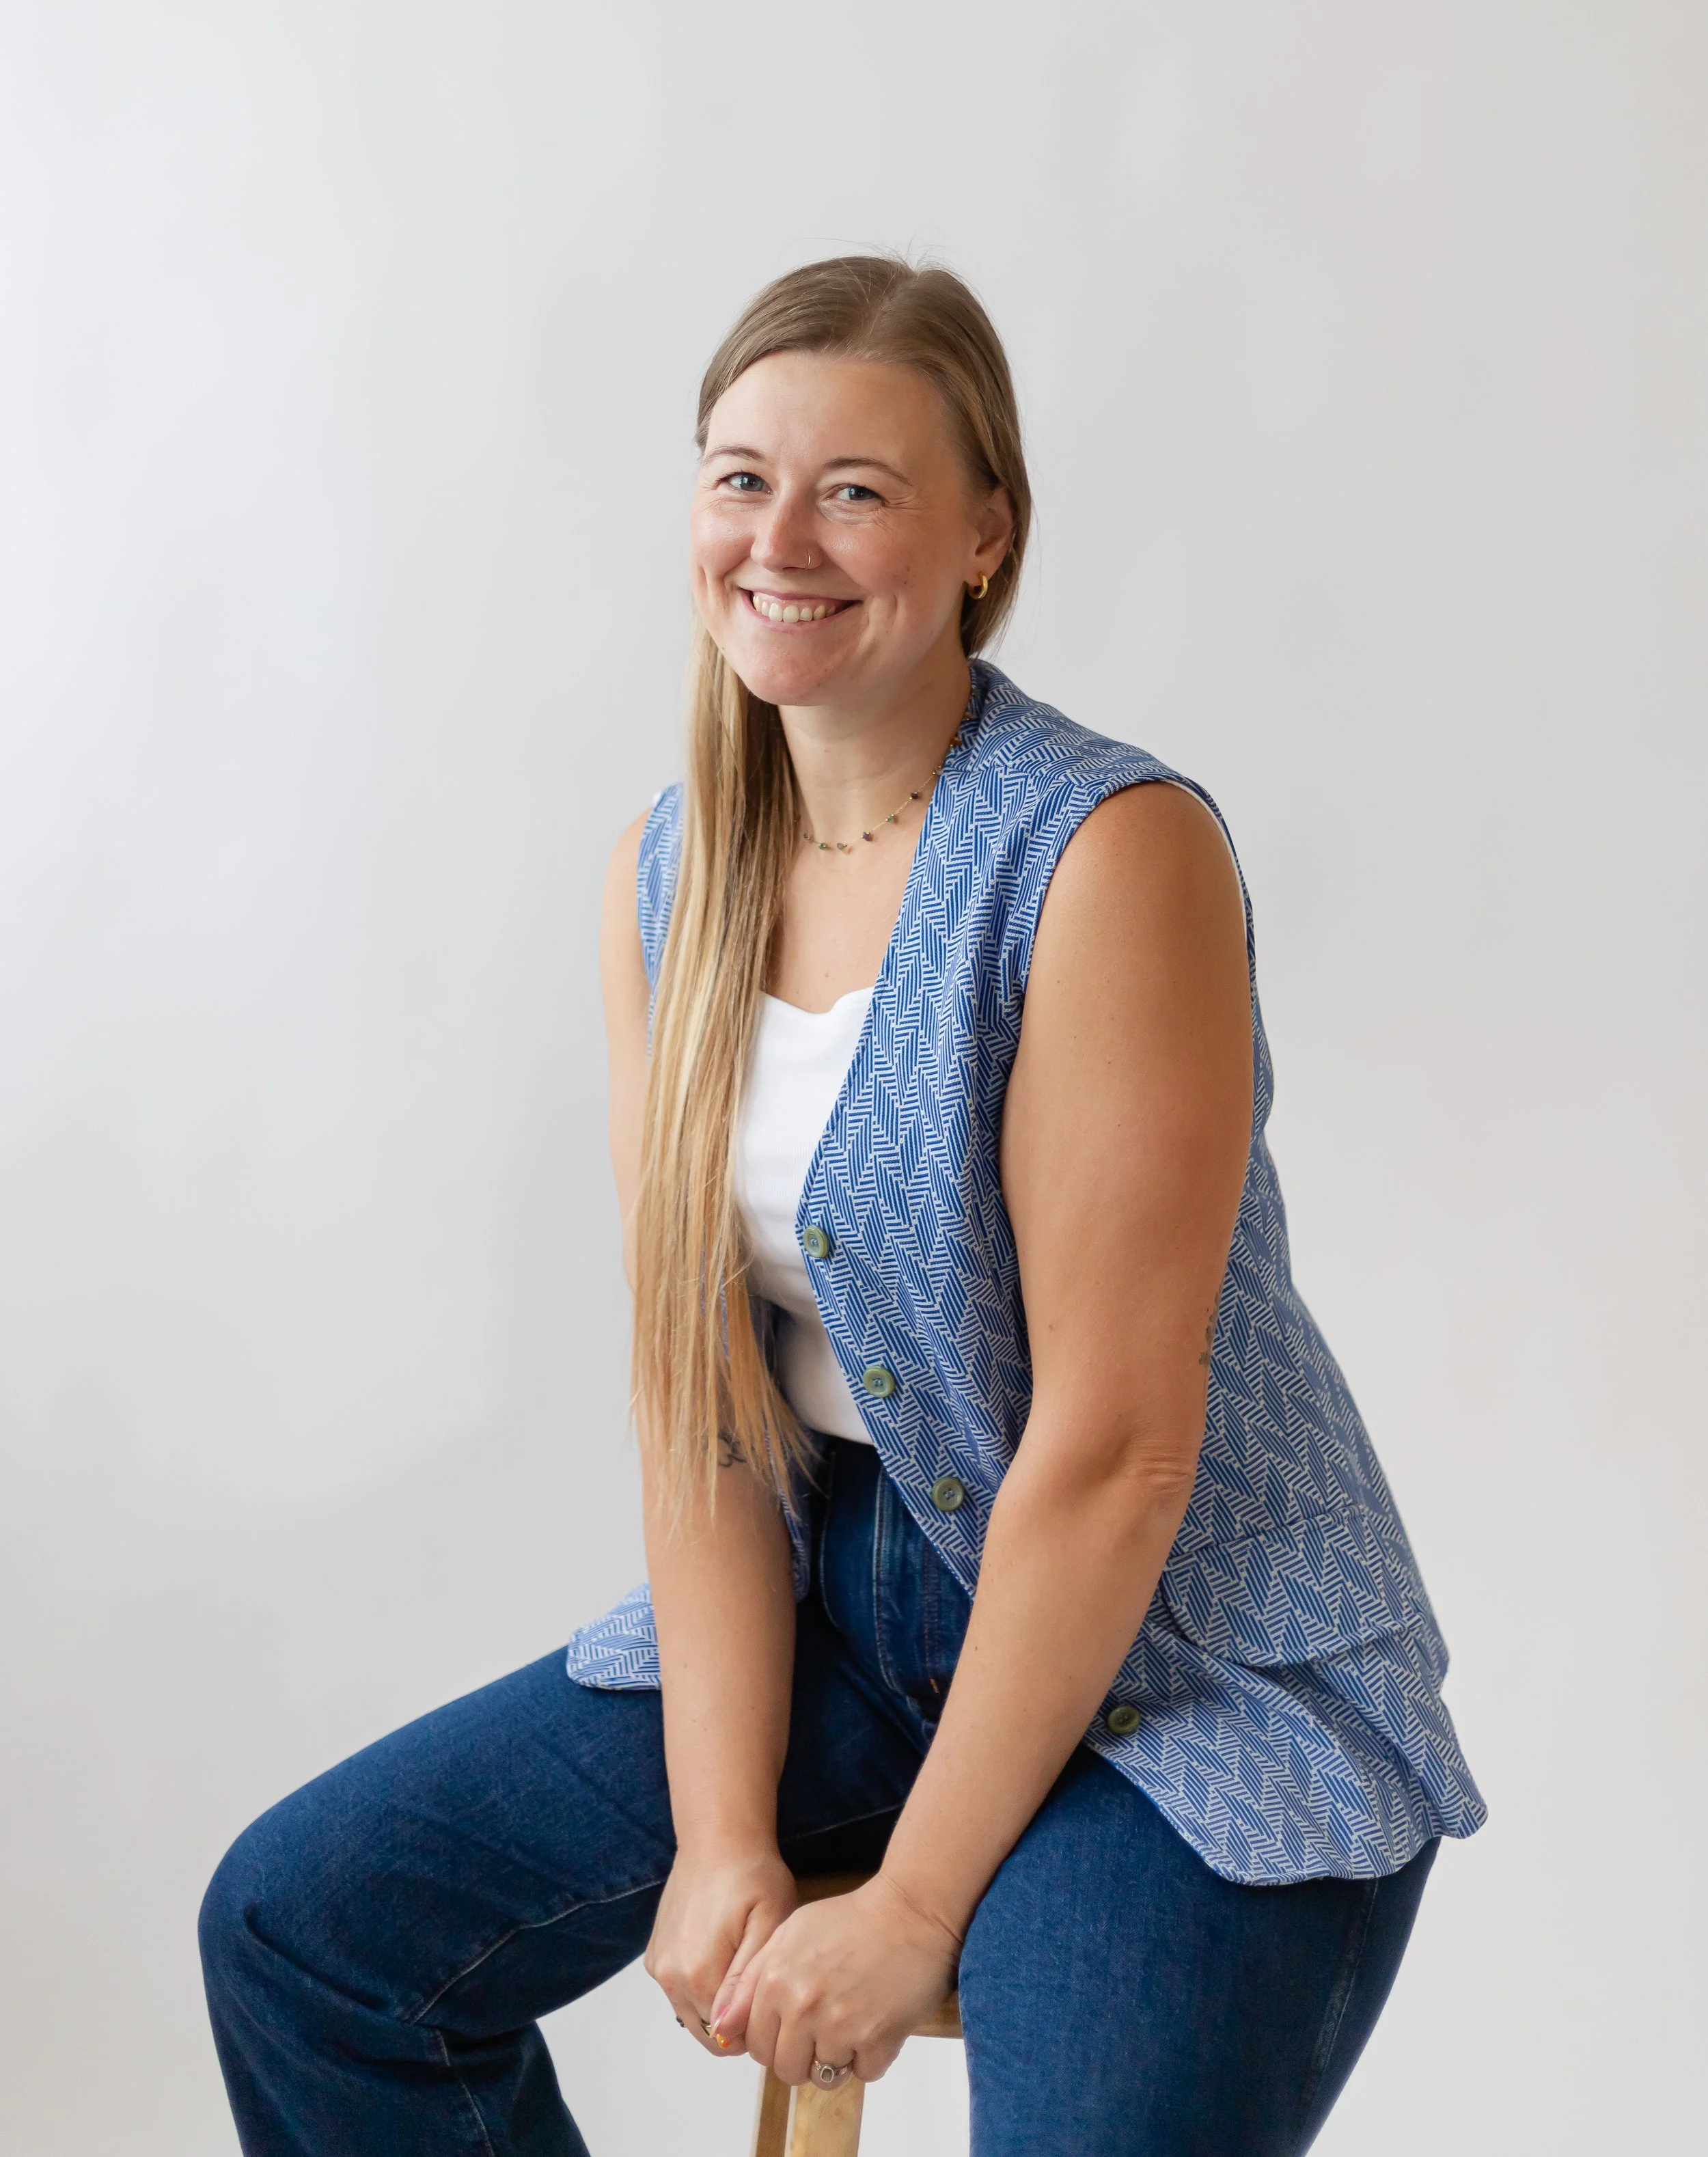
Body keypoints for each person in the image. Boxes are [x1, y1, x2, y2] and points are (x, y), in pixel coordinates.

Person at [200, 257, 1484, 2155]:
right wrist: (724, 1830)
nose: (777, 539)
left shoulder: (1105, 852)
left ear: (984, 532)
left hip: (1179, 1651)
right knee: (308, 1932)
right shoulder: (672, 870)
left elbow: (1118, 1453)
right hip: (851, 1603)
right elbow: (704, 1400)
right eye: (738, 477)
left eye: (855, 490)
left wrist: (901, 1905)